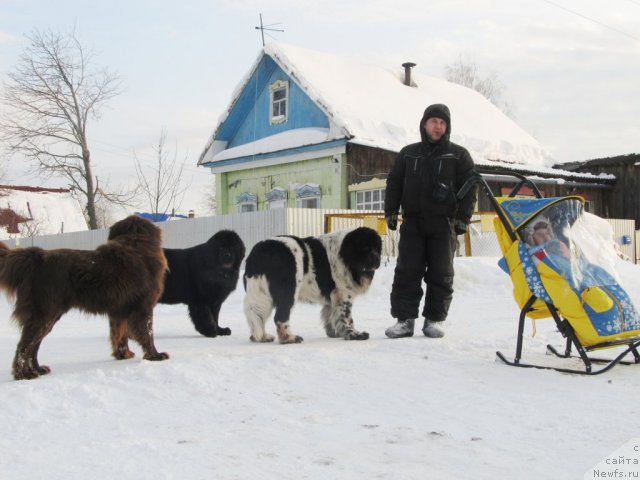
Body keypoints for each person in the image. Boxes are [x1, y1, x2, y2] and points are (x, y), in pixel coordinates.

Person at [384, 103, 477, 339]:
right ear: (424, 124)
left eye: (442, 122)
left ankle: (434, 320)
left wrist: (463, 219)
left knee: (441, 273)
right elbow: (394, 183)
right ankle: (404, 320)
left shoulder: (458, 155)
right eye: (434, 121)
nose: (438, 126)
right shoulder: (408, 153)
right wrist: (391, 211)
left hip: (443, 224)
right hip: (413, 223)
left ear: (447, 127)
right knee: (407, 271)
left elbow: (470, 188)